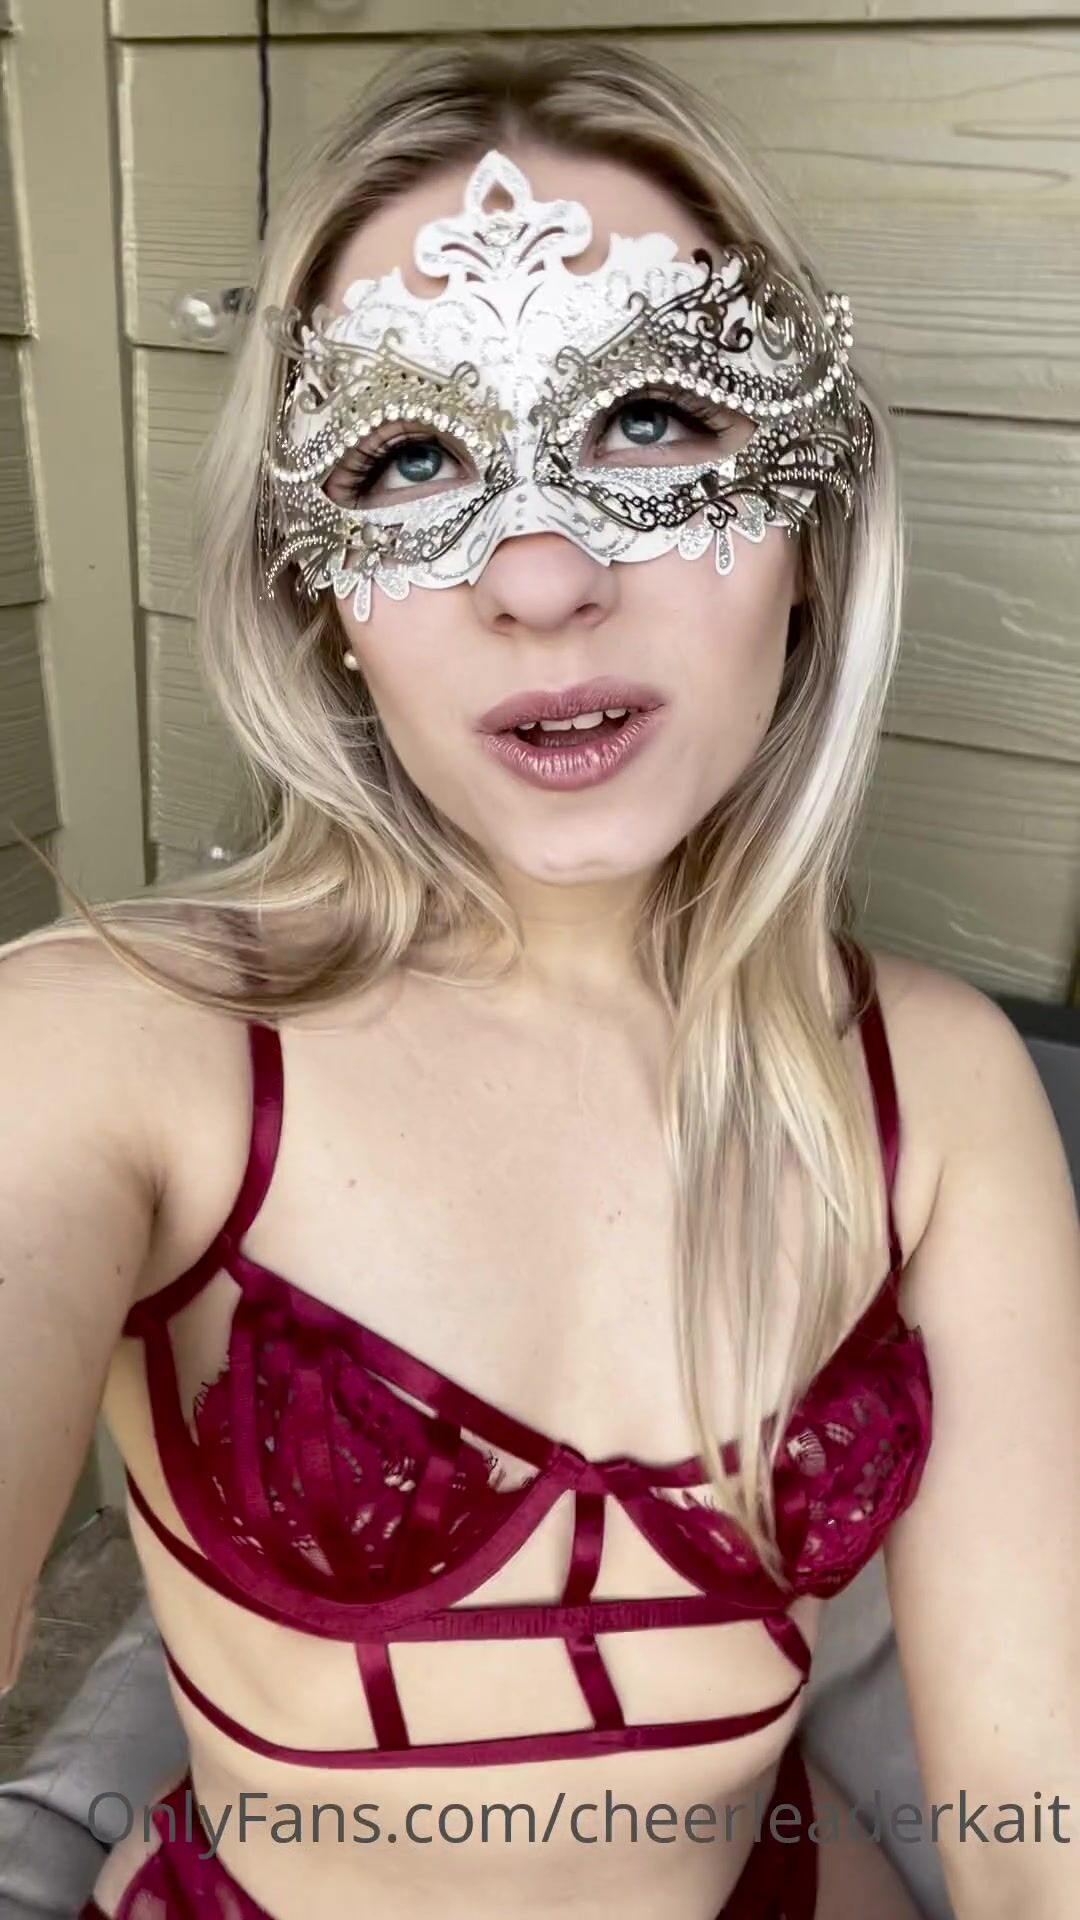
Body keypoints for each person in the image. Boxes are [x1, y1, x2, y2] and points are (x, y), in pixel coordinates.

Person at [0, 34, 1076, 1920]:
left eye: (650, 419)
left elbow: (1029, 1822)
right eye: (412, 457)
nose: (544, 574)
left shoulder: (940, 1085)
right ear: (325, 596)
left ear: (810, 527)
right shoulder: (115, 1052)